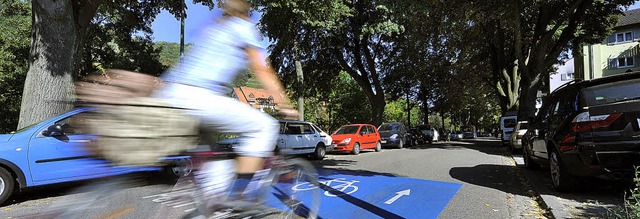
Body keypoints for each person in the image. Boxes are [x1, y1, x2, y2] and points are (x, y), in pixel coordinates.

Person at [153, 0, 298, 209]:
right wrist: (283, 103)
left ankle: (212, 203)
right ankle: (240, 193)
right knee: (265, 127)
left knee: (213, 157)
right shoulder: (243, 27)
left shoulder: (215, 27)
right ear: (247, 9)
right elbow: (262, 69)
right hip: (199, 98)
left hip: (170, 96)